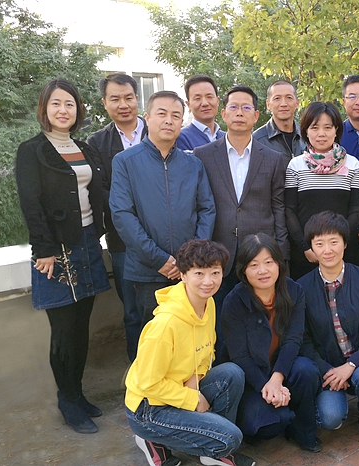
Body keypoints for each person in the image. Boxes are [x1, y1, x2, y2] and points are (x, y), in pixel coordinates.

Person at [15, 78, 111, 433]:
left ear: (78, 110)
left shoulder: (84, 148)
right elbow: (31, 203)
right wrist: (43, 250)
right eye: (56, 103)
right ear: (44, 108)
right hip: (56, 250)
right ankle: (67, 400)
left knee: (82, 326)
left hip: (87, 243)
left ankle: (77, 393)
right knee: (63, 330)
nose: (63, 110)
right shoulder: (32, 150)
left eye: (69, 104)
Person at [125, 239, 256, 466]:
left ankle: (212, 450)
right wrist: (192, 399)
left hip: (180, 387)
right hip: (148, 409)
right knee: (231, 438)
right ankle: (152, 438)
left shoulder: (208, 303)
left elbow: (207, 351)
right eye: (199, 273)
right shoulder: (165, 325)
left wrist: (195, 379)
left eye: (215, 273)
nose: (208, 281)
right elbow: (148, 384)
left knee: (232, 373)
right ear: (183, 275)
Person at [194, 85, 288, 362]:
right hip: (217, 253)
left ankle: (258, 375)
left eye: (246, 107)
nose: (239, 113)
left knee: (259, 320)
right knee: (218, 320)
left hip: (259, 255)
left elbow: (279, 208)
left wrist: (281, 254)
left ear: (256, 115)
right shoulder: (202, 155)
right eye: (233, 107)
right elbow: (198, 205)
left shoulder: (273, 159)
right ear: (223, 114)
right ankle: (223, 374)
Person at [110, 90, 216, 337]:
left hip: (190, 271)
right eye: (162, 113)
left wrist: (191, 259)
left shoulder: (193, 164)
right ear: (147, 118)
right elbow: (122, 214)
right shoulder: (126, 161)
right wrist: (159, 259)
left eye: (176, 115)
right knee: (152, 339)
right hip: (148, 271)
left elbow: (207, 208)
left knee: (190, 337)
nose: (169, 120)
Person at [297, 212, 359, 445]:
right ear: (311, 247)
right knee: (329, 419)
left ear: (345, 244)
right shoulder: (302, 288)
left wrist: (351, 365)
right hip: (328, 368)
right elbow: (302, 339)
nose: (327, 250)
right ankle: (337, 398)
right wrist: (329, 370)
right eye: (319, 244)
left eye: (334, 242)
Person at [221, 234, 322, 452]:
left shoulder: (294, 291)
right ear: (243, 270)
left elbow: (294, 339)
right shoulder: (233, 301)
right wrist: (265, 386)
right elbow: (239, 356)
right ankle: (278, 414)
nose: (263, 271)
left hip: (283, 368)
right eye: (254, 265)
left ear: (278, 264)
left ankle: (302, 431)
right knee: (267, 425)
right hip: (253, 378)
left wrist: (277, 379)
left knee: (306, 370)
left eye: (268, 262)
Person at [86, 73, 148, 361]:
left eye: (128, 97)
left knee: (172, 308)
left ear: (137, 98)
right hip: (123, 240)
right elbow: (101, 191)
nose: (123, 104)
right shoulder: (97, 142)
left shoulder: (159, 131)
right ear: (104, 103)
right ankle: (139, 374)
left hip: (167, 237)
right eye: (115, 99)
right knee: (133, 312)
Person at [285, 102, 359, 279]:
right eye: (315, 127)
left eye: (327, 127)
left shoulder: (352, 164)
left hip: (344, 251)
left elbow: (356, 209)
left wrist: (339, 244)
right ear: (305, 131)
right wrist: (305, 247)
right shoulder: (295, 165)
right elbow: (289, 211)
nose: (321, 133)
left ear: (336, 130)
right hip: (306, 254)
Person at [253, 80, 306, 158]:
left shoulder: (306, 137)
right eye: (277, 98)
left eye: (289, 98)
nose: (283, 104)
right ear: (268, 104)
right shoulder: (257, 141)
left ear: (297, 103)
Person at [176, 75, 225, 151]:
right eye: (197, 98)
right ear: (188, 105)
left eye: (209, 97)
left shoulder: (227, 138)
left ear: (217, 101)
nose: (205, 103)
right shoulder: (180, 138)